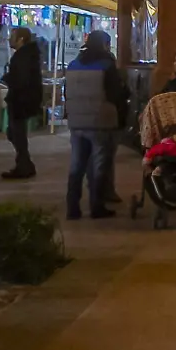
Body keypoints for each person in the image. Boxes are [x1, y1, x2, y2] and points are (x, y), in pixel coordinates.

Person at [64, 30, 128, 220]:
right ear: (104, 45)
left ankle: (72, 208)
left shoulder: (73, 65)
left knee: (76, 166)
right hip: (100, 122)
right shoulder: (106, 66)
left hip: (77, 123)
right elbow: (116, 94)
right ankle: (96, 206)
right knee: (99, 167)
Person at [0, 27, 44, 179]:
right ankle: (24, 163)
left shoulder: (23, 56)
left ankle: (24, 165)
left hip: (21, 100)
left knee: (16, 133)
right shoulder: (26, 55)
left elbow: (22, 79)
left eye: (12, 36)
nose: (9, 40)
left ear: (21, 39)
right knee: (15, 133)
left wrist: (9, 78)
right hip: (23, 99)